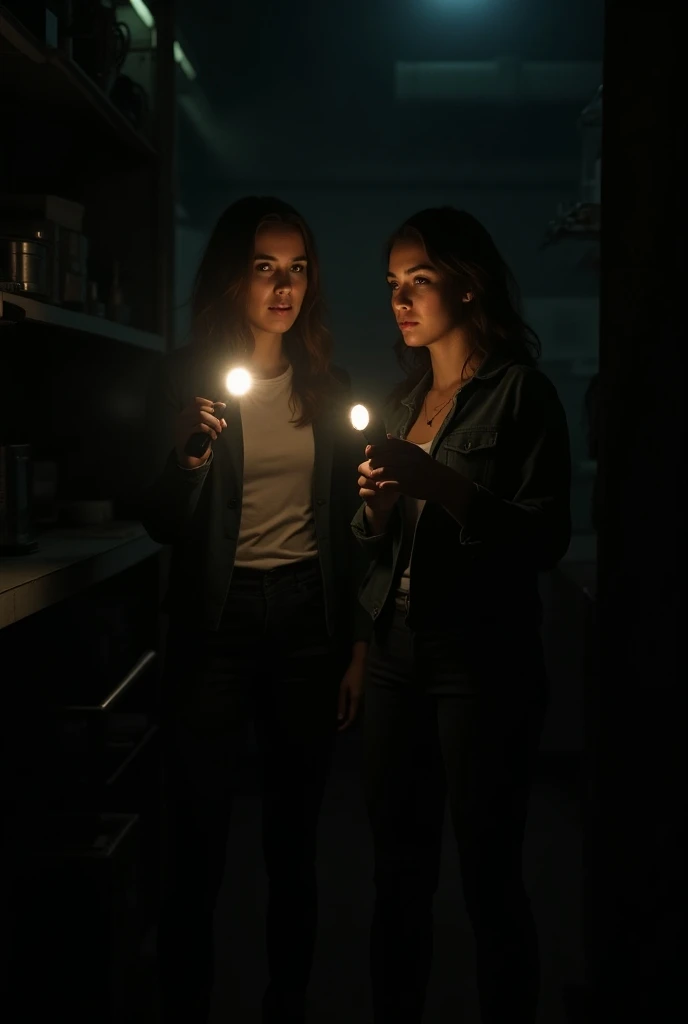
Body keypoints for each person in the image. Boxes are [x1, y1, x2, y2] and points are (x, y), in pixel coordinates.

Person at [140, 196, 371, 1024]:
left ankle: (289, 1001)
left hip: (307, 622)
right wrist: (188, 456)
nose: (284, 285)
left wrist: (356, 647)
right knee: (196, 838)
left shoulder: (327, 386)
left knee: (293, 842)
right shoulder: (184, 378)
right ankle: (185, 1002)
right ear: (232, 276)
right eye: (265, 267)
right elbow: (162, 520)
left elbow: (350, 531)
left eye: (298, 268)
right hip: (218, 624)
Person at [352, 207, 571, 1024]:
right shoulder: (409, 397)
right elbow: (373, 538)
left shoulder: (521, 394)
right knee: (396, 871)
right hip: (398, 649)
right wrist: (374, 509)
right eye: (392, 285)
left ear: (468, 284)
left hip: (480, 658)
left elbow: (543, 534)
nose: (401, 300)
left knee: (488, 872)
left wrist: (440, 483)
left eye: (420, 280)